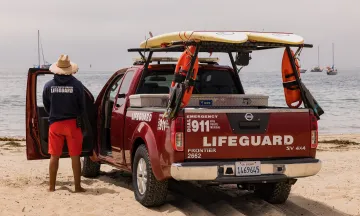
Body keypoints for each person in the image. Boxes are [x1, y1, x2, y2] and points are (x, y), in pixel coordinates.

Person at [43, 54, 86, 192]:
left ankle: (51, 187)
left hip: (55, 124)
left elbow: (46, 105)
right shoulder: (77, 85)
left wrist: (54, 114)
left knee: (54, 156)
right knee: (75, 155)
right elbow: (82, 106)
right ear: (70, 69)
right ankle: (78, 187)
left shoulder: (48, 86)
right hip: (72, 124)